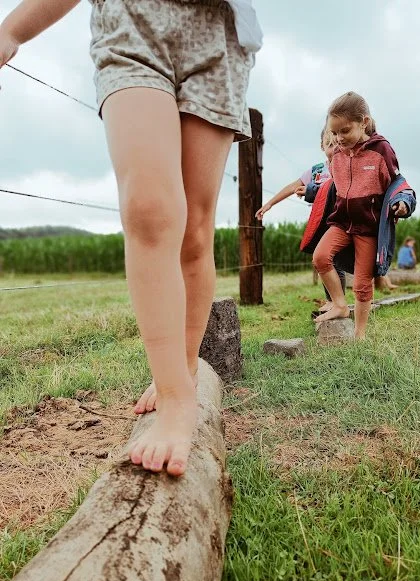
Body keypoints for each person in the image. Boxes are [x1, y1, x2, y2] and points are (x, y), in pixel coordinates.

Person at [0, 0, 262, 476]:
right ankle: (175, 396)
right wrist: (13, 30)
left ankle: (181, 366)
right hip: (132, 25)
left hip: (217, 38)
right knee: (149, 209)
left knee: (195, 231)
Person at [313, 91, 416, 338]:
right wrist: (307, 190)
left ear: (364, 122)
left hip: (368, 226)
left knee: (361, 283)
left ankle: (360, 335)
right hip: (342, 221)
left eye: (344, 131)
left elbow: (397, 184)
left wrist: (402, 203)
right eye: (334, 133)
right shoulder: (336, 153)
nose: (338, 138)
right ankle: (339, 304)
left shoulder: (382, 150)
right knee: (320, 257)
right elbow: (330, 185)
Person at [255, 128, 347, 312]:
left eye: (337, 144)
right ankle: (332, 300)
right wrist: (270, 204)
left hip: (341, 222)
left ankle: (337, 301)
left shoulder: (346, 167)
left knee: (335, 262)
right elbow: (292, 186)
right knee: (323, 261)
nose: (334, 148)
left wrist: (312, 191)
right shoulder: (317, 171)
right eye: (329, 145)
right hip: (322, 223)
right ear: (322, 146)